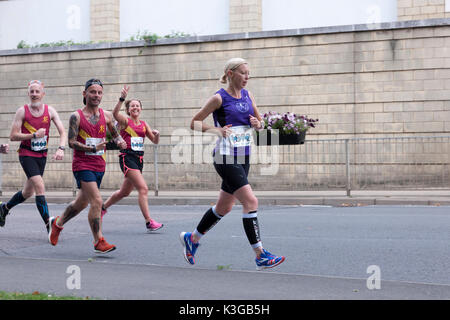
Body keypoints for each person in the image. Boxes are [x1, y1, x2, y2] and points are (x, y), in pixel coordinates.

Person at [179, 58, 285, 270]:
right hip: (225, 157)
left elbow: (260, 121)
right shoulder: (219, 98)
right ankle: (260, 255)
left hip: (244, 157)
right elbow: (194, 122)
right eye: (243, 73)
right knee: (251, 202)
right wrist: (216, 130)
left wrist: (258, 123)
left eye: (249, 73)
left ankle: (193, 239)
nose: (247, 77)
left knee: (224, 207)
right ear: (230, 73)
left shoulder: (248, 95)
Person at [48, 78, 127, 253]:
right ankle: (98, 241)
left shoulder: (106, 116)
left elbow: (115, 134)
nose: (96, 95)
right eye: (92, 92)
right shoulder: (76, 116)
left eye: (99, 92)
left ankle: (57, 224)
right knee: (97, 201)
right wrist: (91, 148)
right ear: (85, 94)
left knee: (82, 202)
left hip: (99, 164)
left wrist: (120, 141)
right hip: (82, 164)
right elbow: (71, 142)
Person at [0, 80, 66, 231]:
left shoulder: (50, 111)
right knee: (40, 186)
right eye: (32, 92)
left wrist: (61, 148)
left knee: (28, 192)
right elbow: (13, 136)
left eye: (37, 91)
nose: (34, 94)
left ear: (43, 93)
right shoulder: (22, 111)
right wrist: (34, 135)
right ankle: (50, 225)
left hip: (41, 156)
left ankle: (4, 208)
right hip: (26, 154)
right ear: (28, 93)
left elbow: (62, 131)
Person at [101, 85, 163, 232]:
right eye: (132, 106)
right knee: (143, 188)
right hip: (127, 157)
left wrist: (157, 134)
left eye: (138, 106)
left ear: (141, 109)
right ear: (128, 110)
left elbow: (154, 141)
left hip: (139, 160)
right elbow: (114, 113)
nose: (135, 108)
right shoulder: (125, 121)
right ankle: (149, 222)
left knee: (124, 192)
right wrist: (122, 98)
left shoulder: (143, 124)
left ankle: (102, 208)